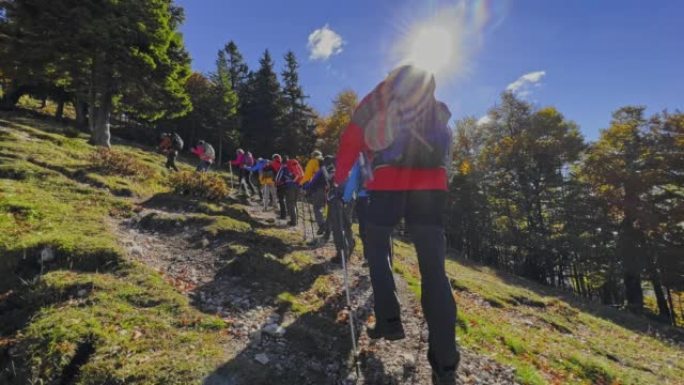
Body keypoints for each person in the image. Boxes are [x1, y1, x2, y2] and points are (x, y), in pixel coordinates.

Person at [333, 65, 458, 384]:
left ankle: (390, 321)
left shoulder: (377, 98)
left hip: (387, 183)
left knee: (377, 248)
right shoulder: (432, 105)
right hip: (431, 187)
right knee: (434, 273)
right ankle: (445, 365)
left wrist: (338, 182)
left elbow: (351, 140)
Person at [301, 150, 326, 234]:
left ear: (313, 156)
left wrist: (303, 185)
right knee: (326, 208)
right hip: (330, 188)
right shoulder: (326, 162)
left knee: (317, 207)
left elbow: (307, 175)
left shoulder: (312, 162)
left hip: (318, 188)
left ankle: (322, 225)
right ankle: (329, 227)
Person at [276, 156, 304, 226]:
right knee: (294, 203)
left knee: (290, 204)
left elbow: (277, 179)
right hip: (298, 186)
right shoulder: (295, 165)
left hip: (290, 187)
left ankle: (293, 222)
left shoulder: (284, 168)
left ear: (283, 162)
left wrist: (281, 183)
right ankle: (296, 220)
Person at [272, 154, 287, 220]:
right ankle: (288, 215)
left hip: (280, 184)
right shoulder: (286, 165)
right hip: (287, 184)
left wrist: (276, 182)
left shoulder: (276, 164)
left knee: (281, 200)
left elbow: (277, 176)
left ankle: (283, 216)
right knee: (287, 200)